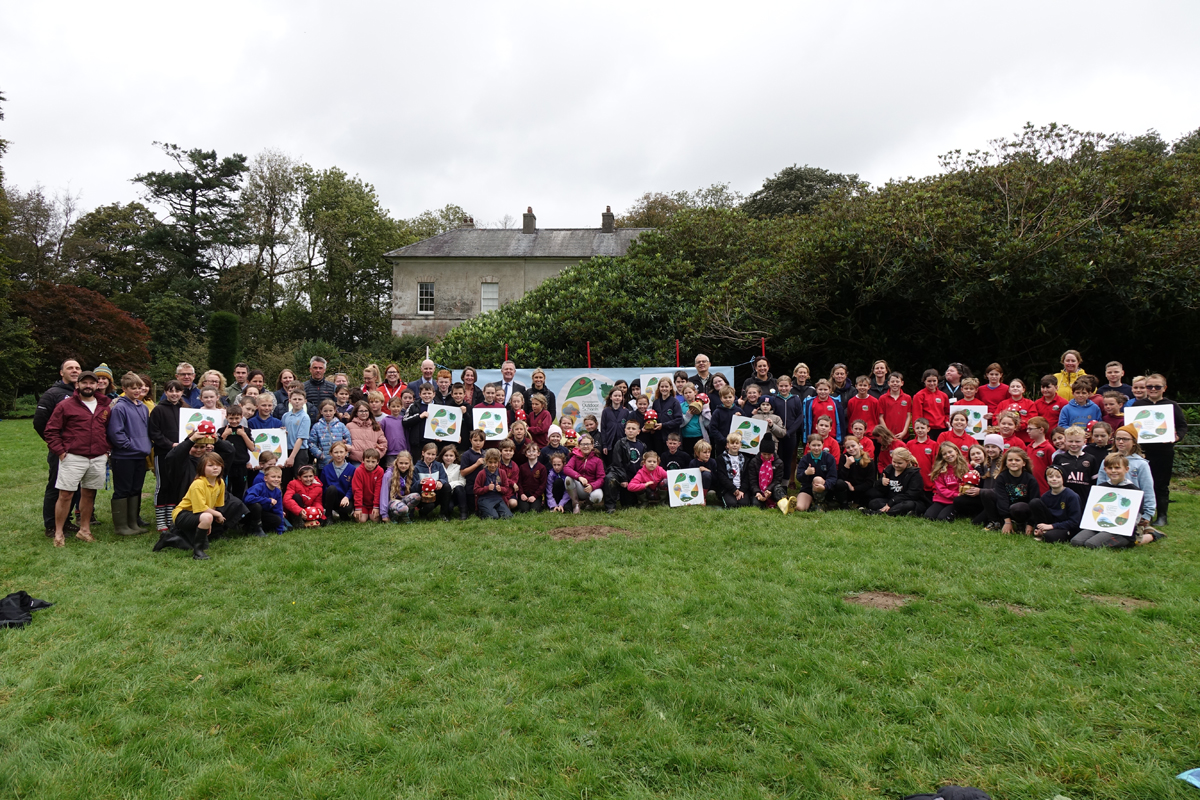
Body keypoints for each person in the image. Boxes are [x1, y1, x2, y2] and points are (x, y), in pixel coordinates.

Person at [43, 370, 111, 547]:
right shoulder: (66, 405)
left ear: (97, 385)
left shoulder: (104, 405)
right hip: (73, 456)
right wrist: (60, 451)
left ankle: (84, 530)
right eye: (84, 383)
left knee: (89, 494)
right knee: (65, 494)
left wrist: (106, 451)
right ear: (77, 385)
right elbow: (50, 431)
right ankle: (58, 533)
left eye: (91, 383)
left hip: (97, 457)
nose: (88, 386)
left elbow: (110, 430)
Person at [1130, 373, 1187, 527]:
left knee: (1161, 484)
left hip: (1163, 451)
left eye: (1157, 386)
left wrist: (1177, 437)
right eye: (1149, 386)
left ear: (1164, 388)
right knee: (1138, 482)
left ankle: (1162, 516)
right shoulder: (1138, 405)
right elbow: (1131, 428)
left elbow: (1182, 426)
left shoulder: (1172, 406)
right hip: (1141, 451)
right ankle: (1139, 515)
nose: (1153, 389)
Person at [34, 358, 82, 537]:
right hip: (60, 451)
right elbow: (39, 422)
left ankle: (66, 520)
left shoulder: (82, 393)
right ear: (62, 373)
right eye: (70, 368)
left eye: (77, 368)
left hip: (79, 451)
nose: (75, 370)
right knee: (56, 487)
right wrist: (55, 444)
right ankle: (51, 525)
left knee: (74, 487)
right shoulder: (53, 394)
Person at [171, 453, 243, 560]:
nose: (215, 468)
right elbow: (201, 508)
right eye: (210, 465)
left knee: (203, 545)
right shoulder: (198, 484)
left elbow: (214, 505)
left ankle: (170, 538)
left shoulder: (220, 482)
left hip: (200, 515)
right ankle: (197, 553)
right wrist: (216, 515)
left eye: (218, 465)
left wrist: (208, 522)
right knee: (207, 518)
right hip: (182, 514)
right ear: (202, 468)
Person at [107, 371, 151, 536]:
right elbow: (116, 434)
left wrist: (144, 446)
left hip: (140, 456)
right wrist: (132, 446)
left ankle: (133, 522)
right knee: (123, 490)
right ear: (124, 388)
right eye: (133, 388)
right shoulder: (119, 407)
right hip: (124, 457)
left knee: (135, 489)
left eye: (139, 387)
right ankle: (121, 526)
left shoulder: (143, 407)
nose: (137, 391)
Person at [983, 447, 1041, 533]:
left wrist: (1030, 524)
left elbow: (1034, 502)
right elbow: (1002, 499)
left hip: (1021, 510)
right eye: (1010, 460)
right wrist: (1007, 521)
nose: (1013, 462)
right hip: (1005, 508)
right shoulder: (1001, 477)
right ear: (1006, 463)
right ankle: (996, 522)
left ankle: (1021, 524)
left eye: (1017, 460)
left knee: (1018, 507)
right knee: (986, 493)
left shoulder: (1030, 479)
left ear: (1024, 463)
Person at [863, 447, 926, 517]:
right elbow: (879, 489)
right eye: (894, 462)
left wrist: (892, 501)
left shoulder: (914, 474)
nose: (896, 465)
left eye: (899, 463)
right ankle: (893, 511)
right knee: (873, 503)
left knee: (908, 505)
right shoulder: (889, 469)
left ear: (907, 462)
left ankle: (881, 512)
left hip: (906, 501)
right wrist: (881, 482)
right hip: (890, 499)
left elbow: (913, 494)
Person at [605, 419, 646, 512]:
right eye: (628, 428)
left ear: (638, 432)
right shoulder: (620, 443)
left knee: (629, 504)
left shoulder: (642, 445)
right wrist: (624, 479)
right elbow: (617, 463)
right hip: (621, 475)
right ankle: (610, 506)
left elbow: (643, 464)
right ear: (625, 430)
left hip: (634, 476)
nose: (630, 430)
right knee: (610, 479)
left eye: (633, 429)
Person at [924, 442, 968, 521]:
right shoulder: (940, 470)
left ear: (956, 451)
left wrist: (960, 495)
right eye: (944, 454)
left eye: (950, 452)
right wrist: (955, 494)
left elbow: (970, 483)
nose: (948, 455)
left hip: (956, 500)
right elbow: (941, 489)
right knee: (929, 516)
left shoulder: (966, 467)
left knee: (943, 518)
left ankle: (958, 512)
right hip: (942, 498)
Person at [793, 434, 836, 512]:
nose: (816, 448)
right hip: (808, 488)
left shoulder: (829, 458)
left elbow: (833, 477)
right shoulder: (805, 459)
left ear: (823, 445)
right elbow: (799, 477)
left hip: (824, 488)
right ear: (809, 445)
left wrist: (825, 486)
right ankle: (810, 502)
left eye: (819, 445)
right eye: (814, 445)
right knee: (800, 508)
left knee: (817, 479)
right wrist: (806, 473)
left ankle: (820, 503)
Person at [564, 433, 605, 512]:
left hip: (591, 488)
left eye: (588, 444)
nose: (585, 446)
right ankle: (575, 504)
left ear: (592, 446)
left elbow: (601, 478)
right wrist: (579, 477)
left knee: (597, 497)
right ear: (579, 445)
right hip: (579, 486)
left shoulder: (598, 460)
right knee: (568, 479)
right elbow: (566, 468)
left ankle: (589, 503)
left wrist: (592, 486)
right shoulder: (575, 457)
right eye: (583, 444)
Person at [243, 465, 285, 536]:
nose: (276, 479)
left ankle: (256, 529)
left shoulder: (277, 492)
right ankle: (253, 527)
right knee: (256, 506)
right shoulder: (259, 487)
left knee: (277, 519)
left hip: (263, 513)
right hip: (249, 513)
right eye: (273, 477)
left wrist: (280, 530)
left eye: (279, 477)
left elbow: (278, 510)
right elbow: (248, 499)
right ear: (265, 478)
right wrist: (267, 500)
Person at [310, 400, 353, 469]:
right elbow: (311, 443)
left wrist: (345, 453)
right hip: (323, 463)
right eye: (325, 411)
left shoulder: (341, 426)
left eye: (330, 410)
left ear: (335, 411)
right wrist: (319, 454)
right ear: (321, 411)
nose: (328, 413)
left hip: (340, 461)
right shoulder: (316, 426)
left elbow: (348, 440)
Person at [414, 442, 451, 520]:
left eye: (433, 454)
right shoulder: (416, 468)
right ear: (423, 453)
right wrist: (419, 482)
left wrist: (440, 481)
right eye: (428, 454)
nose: (430, 456)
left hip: (435, 493)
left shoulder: (439, 465)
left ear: (436, 455)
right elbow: (412, 486)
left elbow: (445, 478)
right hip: (423, 496)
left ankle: (443, 514)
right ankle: (422, 512)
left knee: (447, 486)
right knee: (430, 506)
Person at [324, 441, 359, 522]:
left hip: (345, 499)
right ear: (331, 454)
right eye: (336, 452)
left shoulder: (352, 469)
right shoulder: (326, 469)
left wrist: (347, 497)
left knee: (347, 508)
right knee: (331, 488)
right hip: (331, 499)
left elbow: (352, 486)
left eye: (341, 452)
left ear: (346, 453)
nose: (339, 455)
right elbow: (323, 487)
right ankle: (328, 516)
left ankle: (343, 513)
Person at [380, 450, 420, 523]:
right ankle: (394, 515)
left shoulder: (411, 472)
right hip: (393, 501)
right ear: (396, 462)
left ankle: (405, 514)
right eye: (401, 463)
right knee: (404, 508)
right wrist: (384, 515)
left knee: (417, 496)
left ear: (410, 463)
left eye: (406, 463)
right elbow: (384, 495)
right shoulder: (389, 474)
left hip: (403, 500)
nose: (403, 466)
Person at [474, 449, 513, 519]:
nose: (493, 465)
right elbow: (476, 490)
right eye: (490, 462)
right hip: (485, 499)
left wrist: (501, 489)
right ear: (486, 461)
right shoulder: (482, 473)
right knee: (494, 517)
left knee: (508, 516)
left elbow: (506, 488)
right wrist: (487, 488)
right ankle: (482, 512)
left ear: (498, 462)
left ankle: (496, 510)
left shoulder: (502, 472)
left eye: (495, 462)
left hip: (498, 498)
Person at [912, 369, 950, 438]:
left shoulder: (944, 396)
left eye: (934, 381)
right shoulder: (919, 395)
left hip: (942, 429)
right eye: (929, 381)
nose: (932, 383)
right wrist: (918, 431)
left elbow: (947, 412)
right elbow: (917, 415)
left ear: (938, 381)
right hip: (927, 429)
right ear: (924, 381)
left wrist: (947, 421)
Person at [877, 372, 913, 441]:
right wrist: (887, 433)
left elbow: (909, 416)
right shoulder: (882, 398)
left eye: (897, 381)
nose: (895, 383)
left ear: (902, 383)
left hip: (903, 435)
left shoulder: (907, 398)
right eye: (892, 381)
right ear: (888, 383)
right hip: (887, 435)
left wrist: (904, 432)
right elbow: (880, 417)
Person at [516, 442, 546, 514]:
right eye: (529, 451)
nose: (531, 453)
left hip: (536, 495)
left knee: (535, 510)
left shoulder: (542, 468)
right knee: (524, 510)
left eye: (534, 451)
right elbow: (519, 482)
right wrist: (521, 494)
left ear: (538, 453)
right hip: (524, 494)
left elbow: (543, 484)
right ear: (526, 454)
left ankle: (540, 503)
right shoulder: (522, 467)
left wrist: (535, 496)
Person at [442, 445, 470, 519]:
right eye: (446, 455)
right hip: (443, 495)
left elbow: (463, 481)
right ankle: (445, 513)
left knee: (459, 488)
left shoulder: (458, 467)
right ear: (442, 456)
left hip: (455, 493)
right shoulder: (439, 467)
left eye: (451, 456)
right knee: (449, 508)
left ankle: (463, 512)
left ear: (455, 457)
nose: (448, 458)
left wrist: (450, 485)